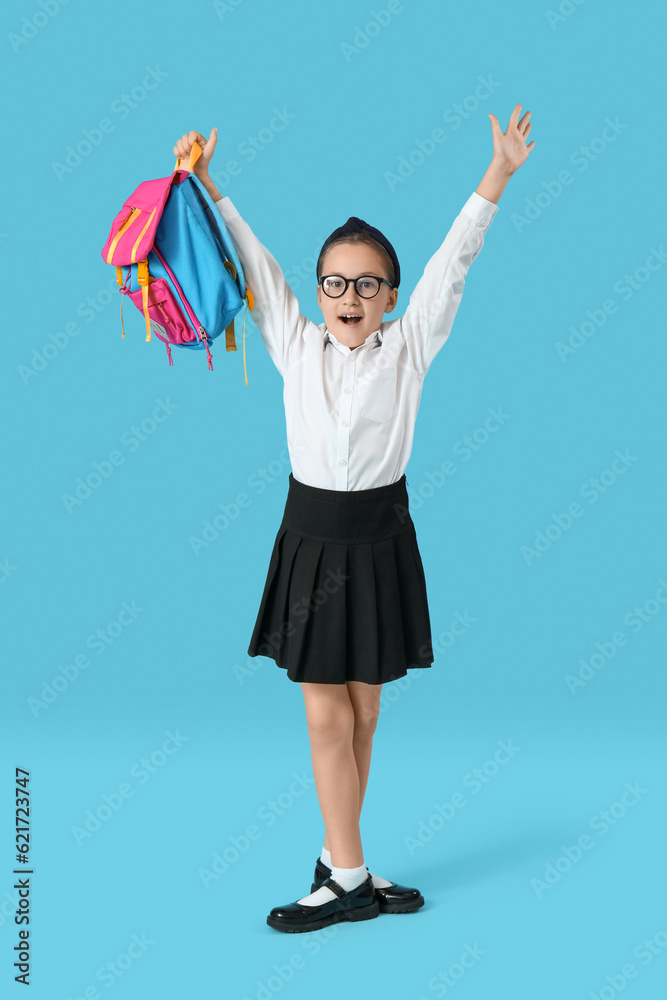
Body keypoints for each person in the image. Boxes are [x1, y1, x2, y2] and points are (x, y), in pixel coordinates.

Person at [173, 104, 534, 934]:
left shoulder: (410, 347)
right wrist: (205, 183)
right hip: (313, 541)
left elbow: (454, 262)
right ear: (318, 289)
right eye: (334, 281)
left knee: (366, 713)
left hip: (380, 539)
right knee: (326, 714)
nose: (348, 295)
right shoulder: (294, 344)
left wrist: (498, 175)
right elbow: (256, 266)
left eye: (367, 282)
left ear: (390, 296)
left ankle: (348, 866)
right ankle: (344, 877)